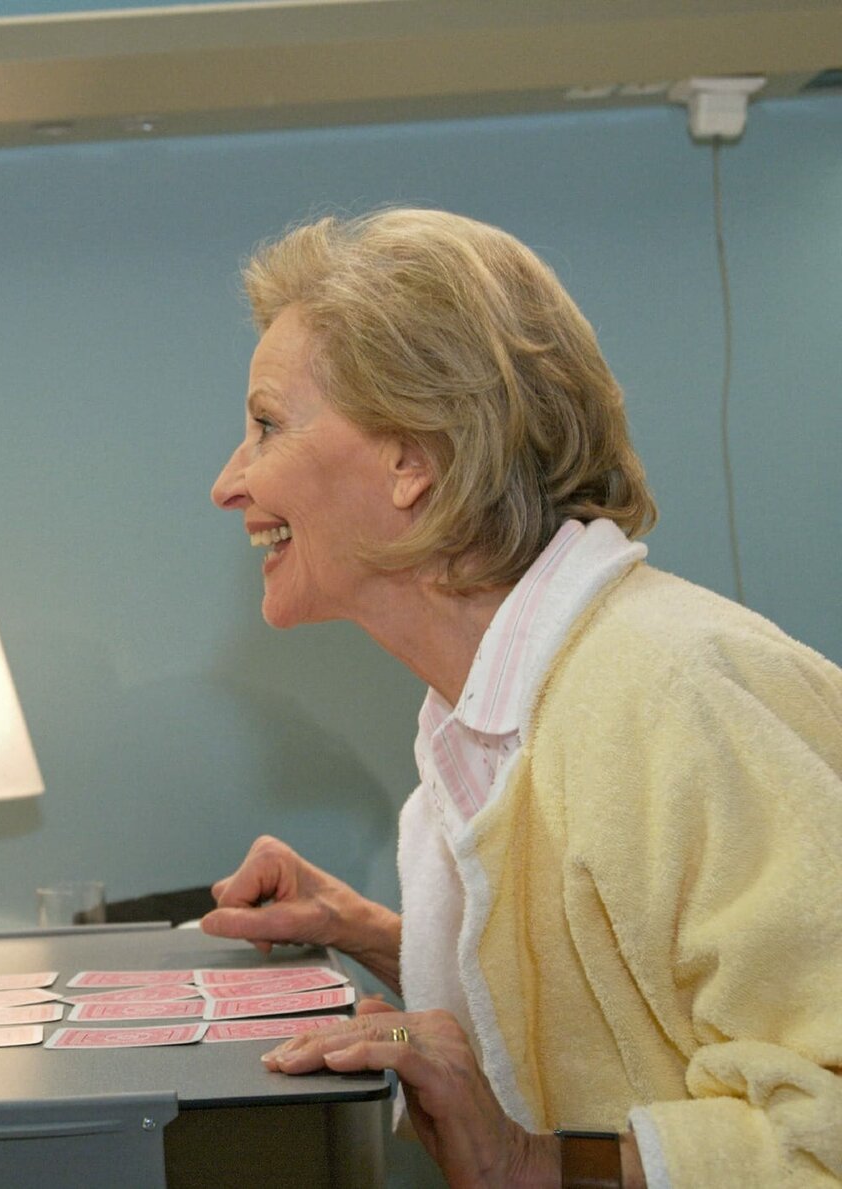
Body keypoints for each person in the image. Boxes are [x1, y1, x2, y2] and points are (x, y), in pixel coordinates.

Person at [203, 208, 841, 1187]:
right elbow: (598, 997)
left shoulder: (683, 692)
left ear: (413, 459)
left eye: (266, 425)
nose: (228, 482)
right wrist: (362, 930)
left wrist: (531, 1162)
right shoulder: (507, 712)